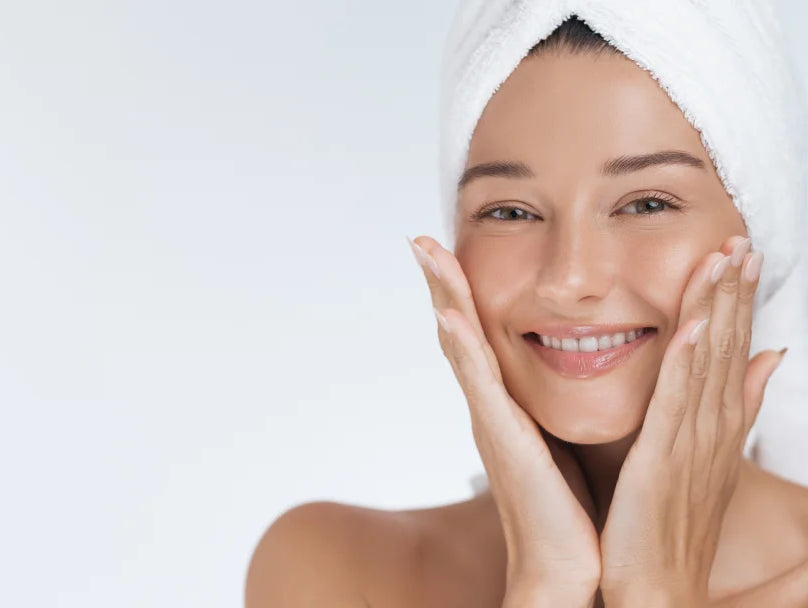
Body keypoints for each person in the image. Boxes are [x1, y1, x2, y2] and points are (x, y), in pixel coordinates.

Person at [245, 14, 808, 608]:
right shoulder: (341, 570)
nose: (570, 278)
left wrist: (654, 590)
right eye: (510, 212)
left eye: (645, 203)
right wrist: (547, 583)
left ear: (758, 232)